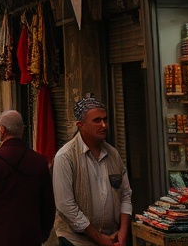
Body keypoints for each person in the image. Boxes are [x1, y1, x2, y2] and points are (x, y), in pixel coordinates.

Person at [53, 95, 132, 246]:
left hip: (113, 238)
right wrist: (100, 239)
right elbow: (66, 206)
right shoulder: (66, 157)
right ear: (81, 125)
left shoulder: (113, 154)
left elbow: (125, 195)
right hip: (77, 241)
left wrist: (122, 233)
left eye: (105, 119)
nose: (103, 125)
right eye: (97, 120)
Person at [0, 110, 55, 246]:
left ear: (2, 130)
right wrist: (43, 233)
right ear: (21, 131)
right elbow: (48, 203)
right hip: (30, 234)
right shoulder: (39, 161)